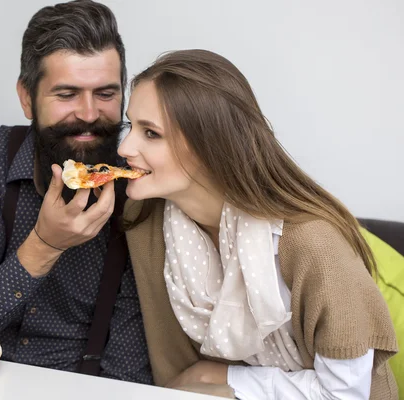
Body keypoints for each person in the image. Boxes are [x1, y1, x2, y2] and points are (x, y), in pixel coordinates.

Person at [119, 49, 398, 399]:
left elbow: (347, 395)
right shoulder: (147, 221)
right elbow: (176, 377)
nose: (126, 147)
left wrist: (228, 382)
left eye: (151, 134)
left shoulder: (313, 244)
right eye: (131, 125)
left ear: (209, 147)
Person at [0, 0, 152, 384]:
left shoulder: (142, 183)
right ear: (26, 98)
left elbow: (129, 371)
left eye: (105, 94)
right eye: (67, 94)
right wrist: (45, 244)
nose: (88, 114)